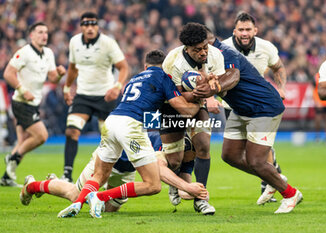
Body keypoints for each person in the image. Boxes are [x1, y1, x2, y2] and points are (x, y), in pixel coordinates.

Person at [57, 49, 201, 218]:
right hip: (131, 126)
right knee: (153, 185)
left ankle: (77, 204)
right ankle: (101, 196)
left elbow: (146, 111)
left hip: (112, 121)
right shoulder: (163, 77)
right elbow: (186, 111)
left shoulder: (135, 79)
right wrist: (200, 99)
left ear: (145, 66)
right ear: (165, 66)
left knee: (99, 175)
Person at [194, 29, 302, 214]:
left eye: (201, 48)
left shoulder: (224, 53)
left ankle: (290, 194)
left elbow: (233, 77)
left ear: (209, 43)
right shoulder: (208, 58)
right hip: (241, 109)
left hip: (263, 108)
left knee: (256, 161)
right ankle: (273, 179)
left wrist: (214, 89)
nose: (200, 53)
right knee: (230, 155)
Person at [20, 131, 206, 212]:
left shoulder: (186, 149)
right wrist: (186, 187)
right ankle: (32, 186)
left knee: (109, 210)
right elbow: (159, 170)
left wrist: (191, 191)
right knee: (74, 195)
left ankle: (69, 187)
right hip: (110, 159)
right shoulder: (164, 141)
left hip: (127, 170)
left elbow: (183, 182)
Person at [160, 22, 226, 215]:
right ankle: (175, 180)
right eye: (198, 50)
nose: (204, 53)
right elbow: (176, 97)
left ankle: (201, 199)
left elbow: (221, 83)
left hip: (199, 103)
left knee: (204, 145)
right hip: (172, 105)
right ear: (187, 49)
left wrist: (211, 89)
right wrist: (199, 91)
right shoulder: (172, 62)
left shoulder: (216, 54)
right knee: (173, 161)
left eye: (205, 47)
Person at [222, 12, 287, 202]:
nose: (244, 33)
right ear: (234, 31)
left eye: (248, 29)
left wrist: (281, 88)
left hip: (259, 104)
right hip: (232, 105)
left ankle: (270, 182)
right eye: (240, 29)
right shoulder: (224, 48)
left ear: (255, 31)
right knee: (238, 152)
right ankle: (273, 178)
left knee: (258, 148)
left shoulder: (266, 47)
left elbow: (278, 67)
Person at [61, 12, 129, 182]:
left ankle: (116, 172)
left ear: (98, 26)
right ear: (81, 26)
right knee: (71, 131)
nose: (90, 28)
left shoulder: (108, 43)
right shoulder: (74, 42)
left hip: (105, 96)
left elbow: (123, 67)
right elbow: (73, 68)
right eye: (86, 24)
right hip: (83, 95)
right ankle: (67, 174)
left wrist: (117, 86)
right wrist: (67, 87)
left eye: (93, 24)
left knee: (110, 137)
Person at [0, 22, 66, 187]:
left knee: (22, 140)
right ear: (31, 35)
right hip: (21, 102)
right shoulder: (24, 53)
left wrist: (58, 75)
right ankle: (12, 158)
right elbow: (8, 73)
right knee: (41, 136)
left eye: (46, 32)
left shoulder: (49, 53)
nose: (44, 35)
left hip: (34, 103)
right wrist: (22, 90)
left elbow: (52, 78)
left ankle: (7, 176)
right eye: (40, 32)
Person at [312, 73, 326, 143]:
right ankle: (317, 136)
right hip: (319, 101)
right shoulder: (316, 76)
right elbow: (313, 89)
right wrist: (316, 101)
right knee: (318, 119)